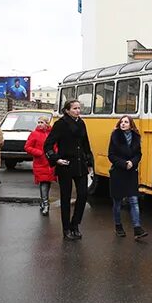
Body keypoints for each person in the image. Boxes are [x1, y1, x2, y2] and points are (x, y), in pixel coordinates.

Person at [44, 99, 93, 241]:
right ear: (67, 110)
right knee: (65, 198)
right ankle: (66, 229)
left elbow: (86, 144)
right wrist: (56, 159)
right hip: (66, 164)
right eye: (75, 108)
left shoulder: (81, 123)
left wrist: (89, 161)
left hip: (80, 164)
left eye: (79, 108)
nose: (78, 111)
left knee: (83, 195)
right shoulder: (61, 124)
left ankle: (75, 224)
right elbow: (48, 145)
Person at [108, 115, 148, 240]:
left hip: (131, 173)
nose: (123, 124)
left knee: (134, 200)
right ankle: (118, 226)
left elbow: (138, 154)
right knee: (118, 202)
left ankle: (137, 229)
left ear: (131, 125)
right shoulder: (115, 136)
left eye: (126, 122)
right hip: (118, 172)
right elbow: (111, 155)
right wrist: (124, 163)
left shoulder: (136, 137)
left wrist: (132, 162)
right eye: (121, 122)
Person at [24, 115, 56, 215]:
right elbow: (27, 147)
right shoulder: (34, 134)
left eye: (42, 122)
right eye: (39, 122)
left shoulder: (52, 134)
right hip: (40, 162)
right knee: (43, 182)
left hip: (50, 163)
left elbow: (55, 146)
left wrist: (55, 154)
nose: (40, 124)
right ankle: (46, 205)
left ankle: (43, 202)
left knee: (48, 182)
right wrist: (39, 153)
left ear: (47, 124)